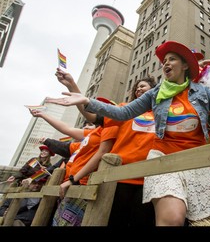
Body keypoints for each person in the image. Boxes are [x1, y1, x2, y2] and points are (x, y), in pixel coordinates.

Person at [45, 40, 210, 226]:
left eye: (171, 59)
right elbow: (122, 113)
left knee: (205, 221)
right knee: (172, 219)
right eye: (164, 60)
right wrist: (86, 100)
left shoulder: (202, 92)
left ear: (185, 65)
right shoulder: (155, 93)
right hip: (163, 162)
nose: (165, 63)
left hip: (196, 162)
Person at [55, 68, 158, 226]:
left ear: (154, 90)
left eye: (143, 86)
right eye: (136, 87)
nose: (138, 89)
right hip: (117, 179)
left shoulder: (162, 113)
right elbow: (93, 115)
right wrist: (72, 86)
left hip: (150, 180)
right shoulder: (124, 110)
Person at [28, 109, 118, 226]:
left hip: (83, 185)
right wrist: (43, 115)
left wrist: (73, 179)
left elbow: (102, 152)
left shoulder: (110, 128)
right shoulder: (92, 134)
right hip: (69, 187)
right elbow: (67, 130)